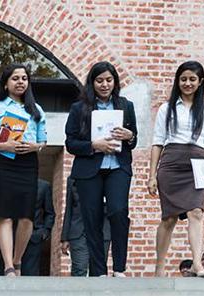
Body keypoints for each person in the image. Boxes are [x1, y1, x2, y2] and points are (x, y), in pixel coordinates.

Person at [65, 61, 138, 277]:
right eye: (99, 81)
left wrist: (130, 136)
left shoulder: (126, 105)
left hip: (118, 167)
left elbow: (133, 139)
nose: (104, 85)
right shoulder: (79, 108)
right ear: (92, 83)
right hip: (90, 168)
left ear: (115, 82)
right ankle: (98, 272)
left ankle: (119, 268)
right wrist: (92, 145)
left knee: (118, 212)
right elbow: (70, 143)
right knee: (92, 218)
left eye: (108, 80)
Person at [148, 61, 204, 277]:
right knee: (168, 218)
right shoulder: (166, 108)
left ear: (200, 82)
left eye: (192, 79)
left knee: (196, 211)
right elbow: (158, 141)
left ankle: (197, 263)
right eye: (184, 79)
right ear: (178, 81)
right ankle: (159, 267)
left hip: (197, 163)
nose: (187, 83)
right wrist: (152, 175)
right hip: (171, 163)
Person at [0, 64, 47, 276]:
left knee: (26, 217)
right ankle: (8, 266)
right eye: (15, 78)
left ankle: (17, 260)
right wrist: (3, 146)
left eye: (24, 78)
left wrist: (35, 147)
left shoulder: (37, 109)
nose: (20, 82)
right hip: (5, 163)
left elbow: (43, 142)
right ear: (6, 84)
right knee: (5, 216)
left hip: (28, 163)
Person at [60, 177, 112, 277]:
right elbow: (69, 208)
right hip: (78, 231)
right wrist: (65, 237)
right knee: (78, 270)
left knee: (98, 273)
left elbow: (114, 206)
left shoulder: (109, 177)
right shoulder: (72, 179)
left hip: (101, 231)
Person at [21, 179, 55, 276]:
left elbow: (50, 213)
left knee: (30, 275)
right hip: (12, 237)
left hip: (34, 237)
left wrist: (45, 231)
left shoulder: (44, 186)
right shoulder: (11, 183)